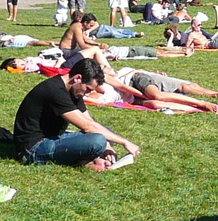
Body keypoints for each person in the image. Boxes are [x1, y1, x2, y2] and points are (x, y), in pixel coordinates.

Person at [12, 60, 141, 169]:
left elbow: (89, 121)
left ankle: (91, 159)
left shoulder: (74, 89)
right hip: (33, 149)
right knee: (97, 140)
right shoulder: (54, 91)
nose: (87, 94)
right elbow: (87, 127)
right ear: (77, 78)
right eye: (88, 89)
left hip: (53, 137)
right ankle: (85, 161)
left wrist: (107, 147)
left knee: (106, 133)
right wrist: (125, 142)